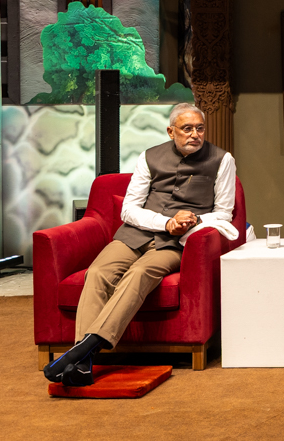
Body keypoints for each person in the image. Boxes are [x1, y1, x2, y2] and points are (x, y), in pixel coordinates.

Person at [43, 102, 236, 387]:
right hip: (135, 234)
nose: (195, 134)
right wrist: (165, 222)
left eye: (200, 128)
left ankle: (83, 350)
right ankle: (83, 361)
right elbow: (129, 209)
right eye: (187, 128)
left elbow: (224, 213)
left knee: (139, 273)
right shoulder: (149, 157)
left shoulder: (222, 160)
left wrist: (194, 220)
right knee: (97, 273)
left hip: (175, 243)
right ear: (171, 131)